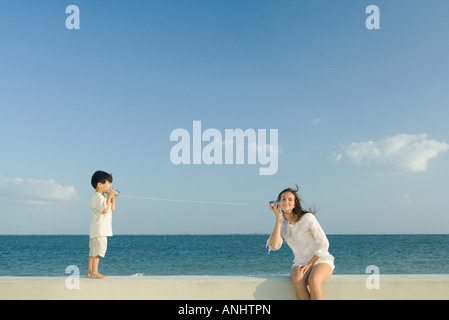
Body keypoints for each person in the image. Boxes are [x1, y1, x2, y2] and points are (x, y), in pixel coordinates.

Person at [267, 185, 334, 300]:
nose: (286, 201)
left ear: (294, 204)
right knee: (297, 279)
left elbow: (324, 243)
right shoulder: (279, 222)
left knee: (314, 280)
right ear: (278, 203)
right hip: (300, 262)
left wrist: (310, 264)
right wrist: (278, 218)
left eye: (290, 199)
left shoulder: (308, 218)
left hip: (320, 258)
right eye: (283, 199)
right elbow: (274, 246)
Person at [87, 170, 117, 279]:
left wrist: (112, 199)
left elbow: (111, 209)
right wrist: (109, 197)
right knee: (97, 251)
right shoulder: (97, 197)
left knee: (93, 251)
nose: (110, 186)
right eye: (108, 183)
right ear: (100, 184)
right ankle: (94, 272)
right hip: (100, 230)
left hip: (98, 229)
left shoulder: (103, 198)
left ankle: (90, 272)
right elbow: (104, 210)